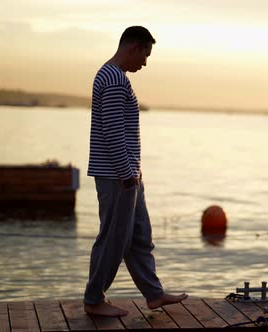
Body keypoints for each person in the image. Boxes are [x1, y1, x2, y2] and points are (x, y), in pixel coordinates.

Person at [84, 26, 188, 317]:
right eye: (145, 55)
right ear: (133, 48)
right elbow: (113, 132)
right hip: (120, 176)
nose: (145, 63)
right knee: (114, 239)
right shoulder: (114, 79)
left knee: (140, 235)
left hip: (129, 174)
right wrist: (126, 175)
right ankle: (94, 299)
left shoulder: (113, 76)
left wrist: (134, 175)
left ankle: (154, 294)